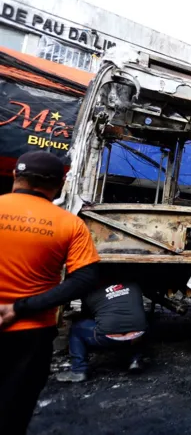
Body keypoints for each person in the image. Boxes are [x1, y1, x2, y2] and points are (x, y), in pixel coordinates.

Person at [0, 151, 102, 435]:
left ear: (15, 176)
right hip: (31, 333)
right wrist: (19, 308)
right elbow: (84, 279)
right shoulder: (70, 224)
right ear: (60, 184)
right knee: (12, 412)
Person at [57, 281, 148, 383]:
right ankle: (136, 360)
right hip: (137, 335)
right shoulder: (134, 285)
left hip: (109, 337)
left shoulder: (91, 292)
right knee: (135, 324)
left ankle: (78, 370)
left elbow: (88, 316)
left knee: (76, 328)